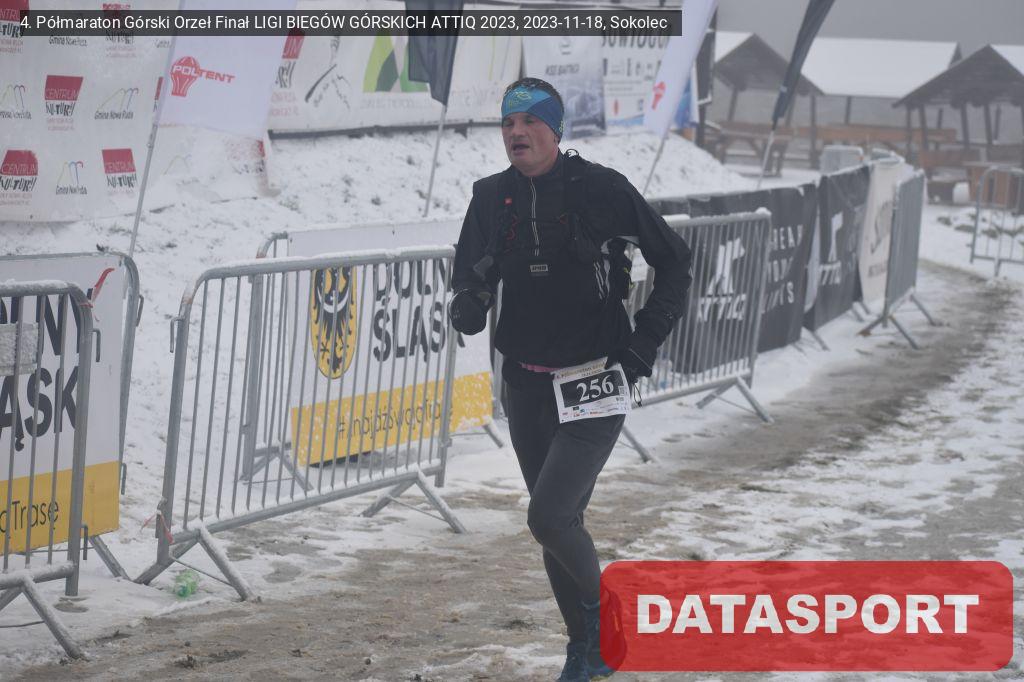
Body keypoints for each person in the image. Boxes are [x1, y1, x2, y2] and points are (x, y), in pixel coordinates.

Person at [450, 78, 692, 681]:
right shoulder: (491, 197)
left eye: (530, 121)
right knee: (557, 526)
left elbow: (675, 261)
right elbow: (469, 273)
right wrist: (470, 301)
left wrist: (642, 344)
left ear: (556, 130)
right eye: (508, 123)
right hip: (526, 385)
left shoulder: (600, 189)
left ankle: (607, 620)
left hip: (595, 380)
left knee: (549, 517)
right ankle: (586, 649)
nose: (516, 133)